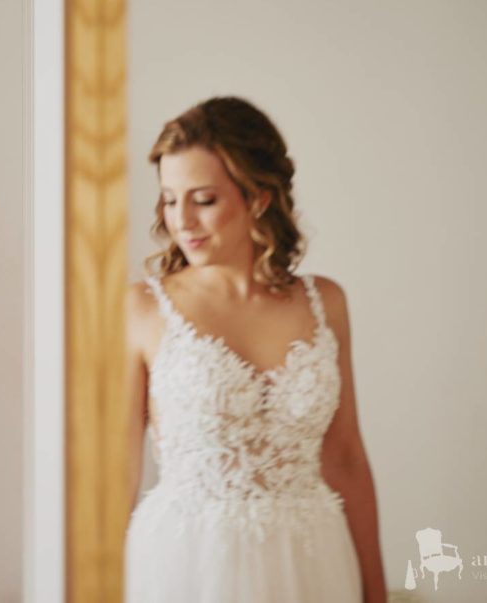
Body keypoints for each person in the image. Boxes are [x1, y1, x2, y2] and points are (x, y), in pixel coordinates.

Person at [123, 97, 386, 602]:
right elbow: (117, 474)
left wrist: (375, 592)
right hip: (188, 566)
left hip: (312, 562)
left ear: (260, 197)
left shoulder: (325, 303)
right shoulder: (143, 309)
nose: (182, 221)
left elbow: (346, 457)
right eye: (170, 200)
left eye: (203, 200)